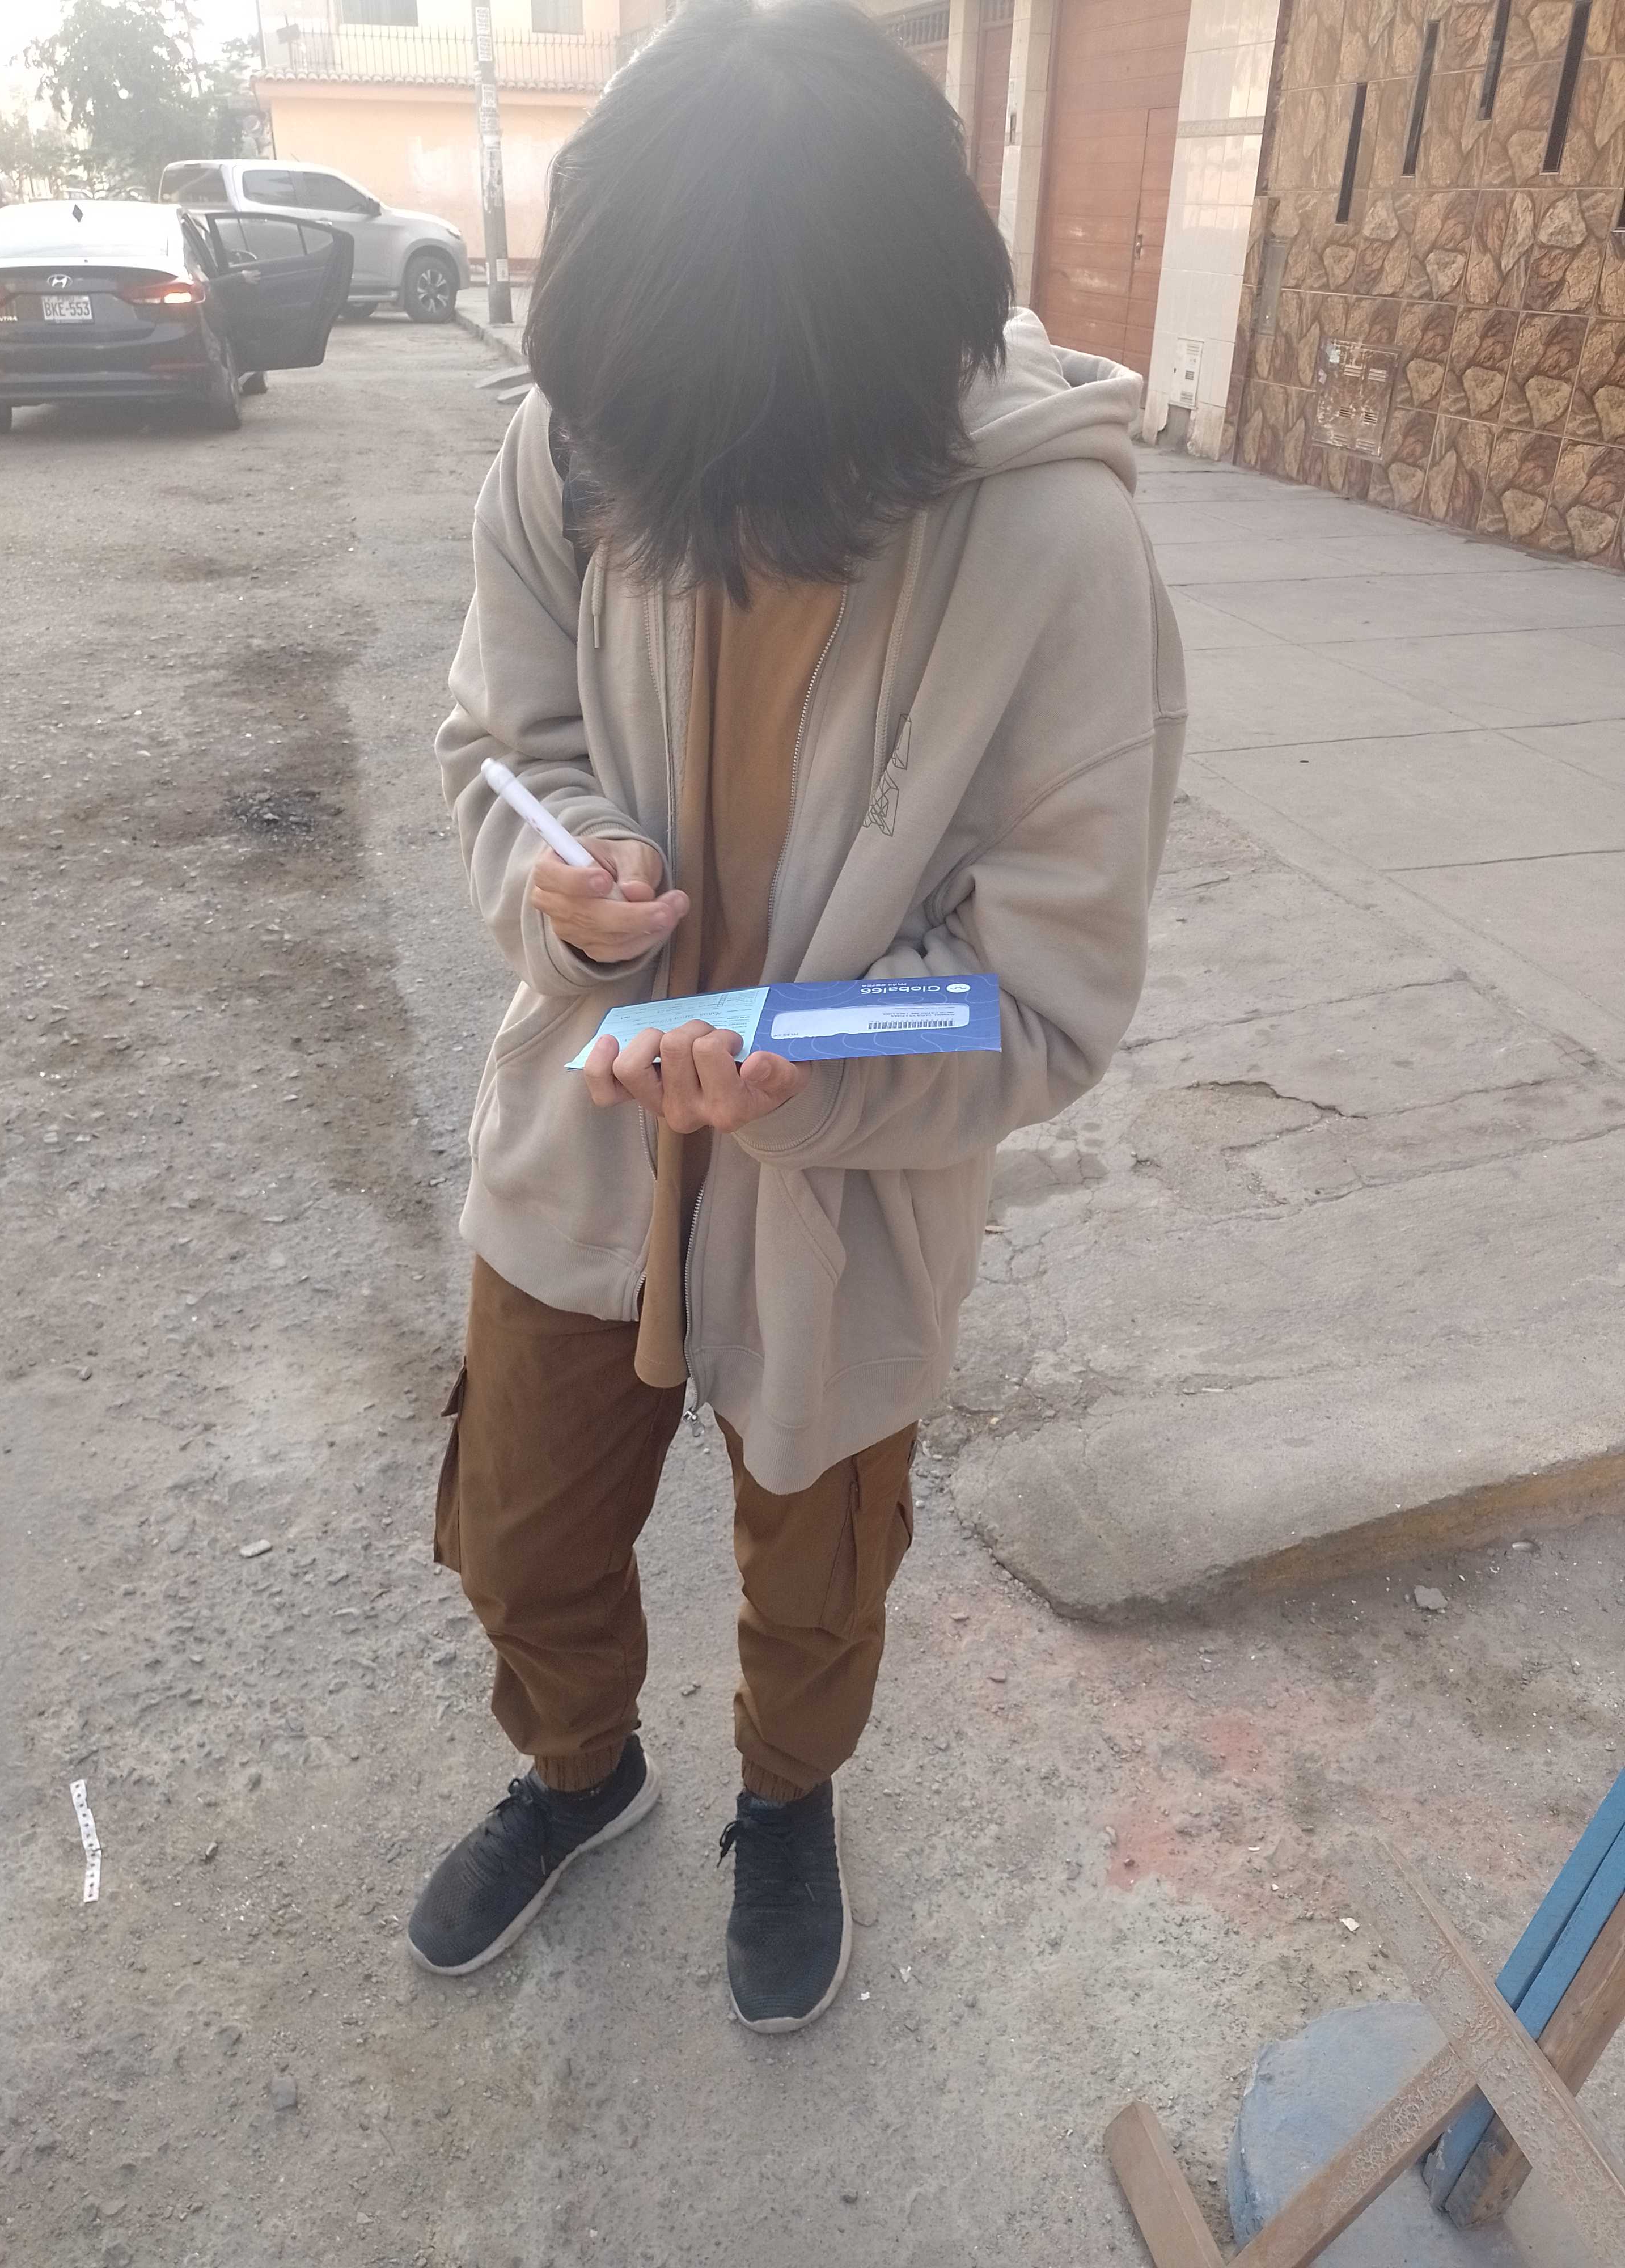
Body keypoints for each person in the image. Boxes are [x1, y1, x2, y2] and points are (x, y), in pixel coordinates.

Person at [411, 0, 1185, 2033]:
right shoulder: (585, 439)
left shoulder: (1056, 547)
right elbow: (501, 744)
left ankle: (787, 1797)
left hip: (845, 1194)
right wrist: (572, 887)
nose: (660, 511)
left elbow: (1049, 992)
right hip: (585, 1132)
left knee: (820, 1564)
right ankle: (580, 1770)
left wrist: (798, 1083)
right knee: (518, 1528)